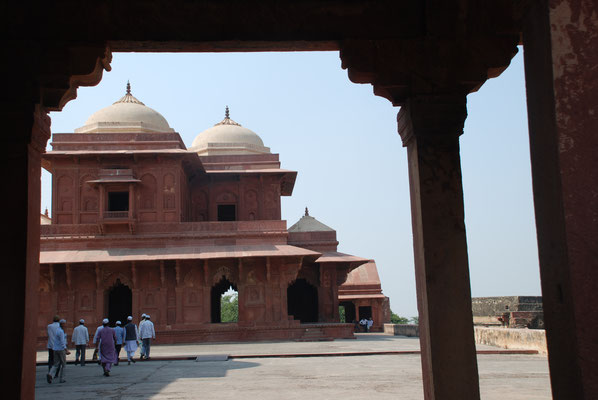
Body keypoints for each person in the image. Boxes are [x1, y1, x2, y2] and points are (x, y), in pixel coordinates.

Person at [47, 319, 70, 384]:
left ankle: (50, 374)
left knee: (56, 364)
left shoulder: (58, 330)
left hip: (55, 349)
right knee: (64, 364)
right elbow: (62, 342)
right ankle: (62, 379)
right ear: (62, 324)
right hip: (61, 350)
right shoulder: (61, 332)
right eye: (65, 324)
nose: (66, 325)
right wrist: (66, 350)